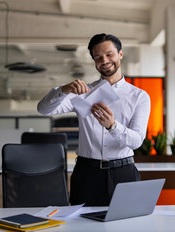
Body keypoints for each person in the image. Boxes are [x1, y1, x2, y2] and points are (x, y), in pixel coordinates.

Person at [37, 33, 151, 206]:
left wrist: (112, 126)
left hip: (123, 172)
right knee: (82, 226)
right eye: (98, 57)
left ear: (120, 54)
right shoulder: (82, 93)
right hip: (86, 173)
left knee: (127, 226)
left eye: (109, 54)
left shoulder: (139, 96)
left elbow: (136, 141)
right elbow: (43, 109)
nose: (104, 60)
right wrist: (63, 90)